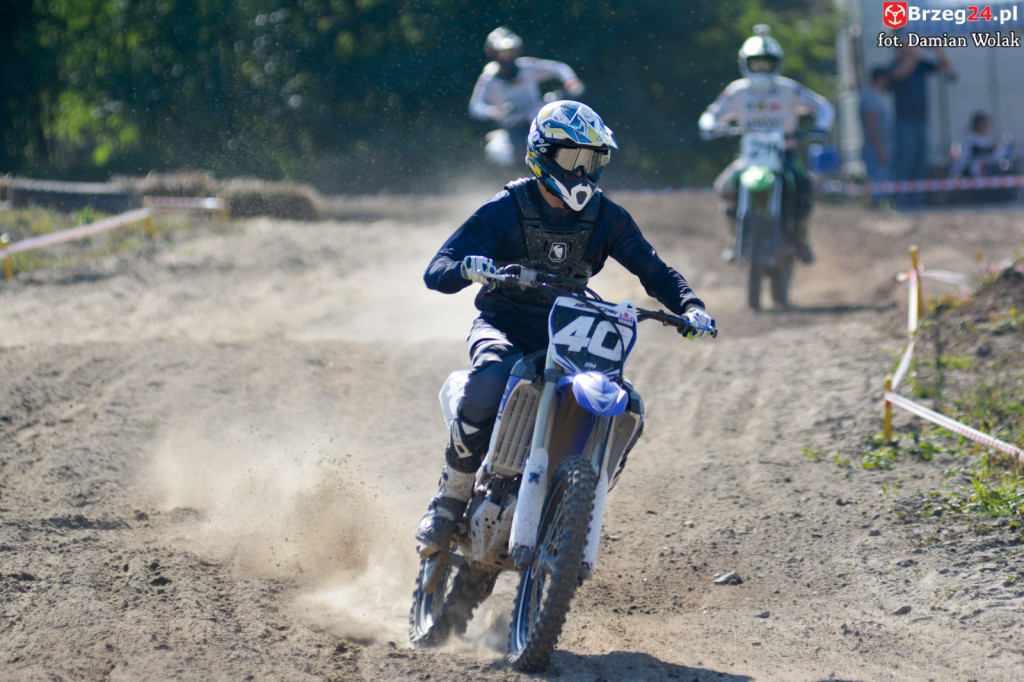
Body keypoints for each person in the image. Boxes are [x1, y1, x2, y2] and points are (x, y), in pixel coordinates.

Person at [415, 100, 715, 554]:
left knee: (626, 403)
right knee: (495, 373)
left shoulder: (607, 217)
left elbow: (655, 271)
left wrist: (690, 306)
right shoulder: (507, 206)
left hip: (571, 333)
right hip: (504, 323)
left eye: (592, 161)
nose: (582, 174)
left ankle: (574, 501)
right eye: (572, 160)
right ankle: (449, 498)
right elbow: (438, 269)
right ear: (542, 154)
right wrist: (469, 268)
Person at [698, 25, 834, 264]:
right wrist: (710, 126)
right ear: (745, 63)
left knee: (804, 186)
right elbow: (713, 112)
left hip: (785, 155)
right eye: (756, 63)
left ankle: (801, 239)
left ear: (777, 64)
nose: (761, 69)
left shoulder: (789, 89)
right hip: (749, 156)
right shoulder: (737, 91)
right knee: (725, 186)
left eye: (767, 64)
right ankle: (734, 238)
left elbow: (823, 106)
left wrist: (821, 127)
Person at [468, 27, 585, 168]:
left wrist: (570, 80)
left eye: (510, 52)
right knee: (498, 151)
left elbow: (559, 68)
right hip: (512, 127)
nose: (507, 56)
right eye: (502, 53)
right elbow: (475, 106)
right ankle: (509, 185)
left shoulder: (527, 67)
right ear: (492, 53)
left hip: (537, 122)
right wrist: (492, 111)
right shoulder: (489, 78)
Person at [888, 38, 953, 206]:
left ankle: (919, 202)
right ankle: (902, 202)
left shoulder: (921, 66)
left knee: (920, 162)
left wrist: (939, 50)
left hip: (922, 121)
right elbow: (898, 75)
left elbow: (945, 67)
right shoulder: (895, 65)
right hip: (904, 122)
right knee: (906, 161)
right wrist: (915, 56)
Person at [859, 66, 894, 204]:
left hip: (882, 145)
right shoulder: (870, 97)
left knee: (883, 179)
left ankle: (880, 204)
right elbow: (871, 125)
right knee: (876, 179)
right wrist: (880, 148)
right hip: (874, 147)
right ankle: (874, 205)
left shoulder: (881, 95)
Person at [950, 111, 1015, 179]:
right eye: (986, 124)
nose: (988, 128)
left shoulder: (980, 140)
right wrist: (1006, 147)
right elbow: (991, 154)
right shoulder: (970, 141)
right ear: (978, 125)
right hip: (968, 178)